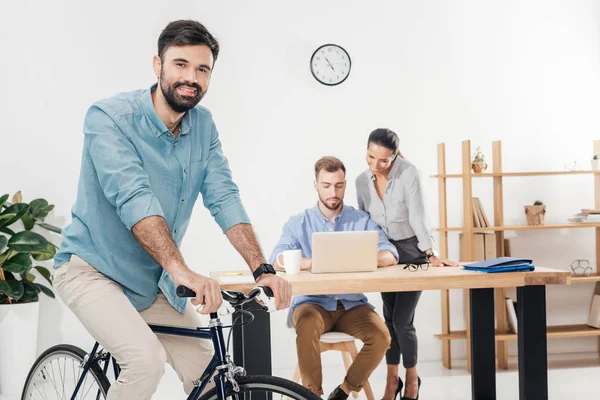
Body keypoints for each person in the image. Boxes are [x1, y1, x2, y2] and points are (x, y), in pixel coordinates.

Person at [52, 20, 291, 400]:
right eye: (180, 64)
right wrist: (182, 271)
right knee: (145, 362)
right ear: (157, 65)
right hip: (92, 269)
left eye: (202, 69)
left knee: (212, 377)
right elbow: (133, 197)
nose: (191, 77)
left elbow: (223, 196)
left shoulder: (203, 125)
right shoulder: (109, 118)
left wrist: (262, 268)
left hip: (153, 282)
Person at [269, 156, 398, 400]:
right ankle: (312, 395)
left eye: (338, 185)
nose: (333, 192)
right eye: (326, 186)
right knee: (306, 323)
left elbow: (390, 254)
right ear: (316, 185)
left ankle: (344, 391)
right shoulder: (299, 222)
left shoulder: (360, 220)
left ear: (345, 185)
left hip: (352, 305)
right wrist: (312, 263)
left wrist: (355, 258)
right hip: (312, 304)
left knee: (381, 337)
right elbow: (277, 259)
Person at [356, 128, 458, 400]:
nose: (376, 165)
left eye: (383, 161)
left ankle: (412, 380)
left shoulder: (409, 173)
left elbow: (418, 215)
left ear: (395, 156)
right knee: (388, 320)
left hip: (413, 252)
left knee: (403, 320)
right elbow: (365, 224)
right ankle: (392, 381)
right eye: (370, 157)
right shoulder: (360, 182)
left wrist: (431, 253)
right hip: (385, 254)